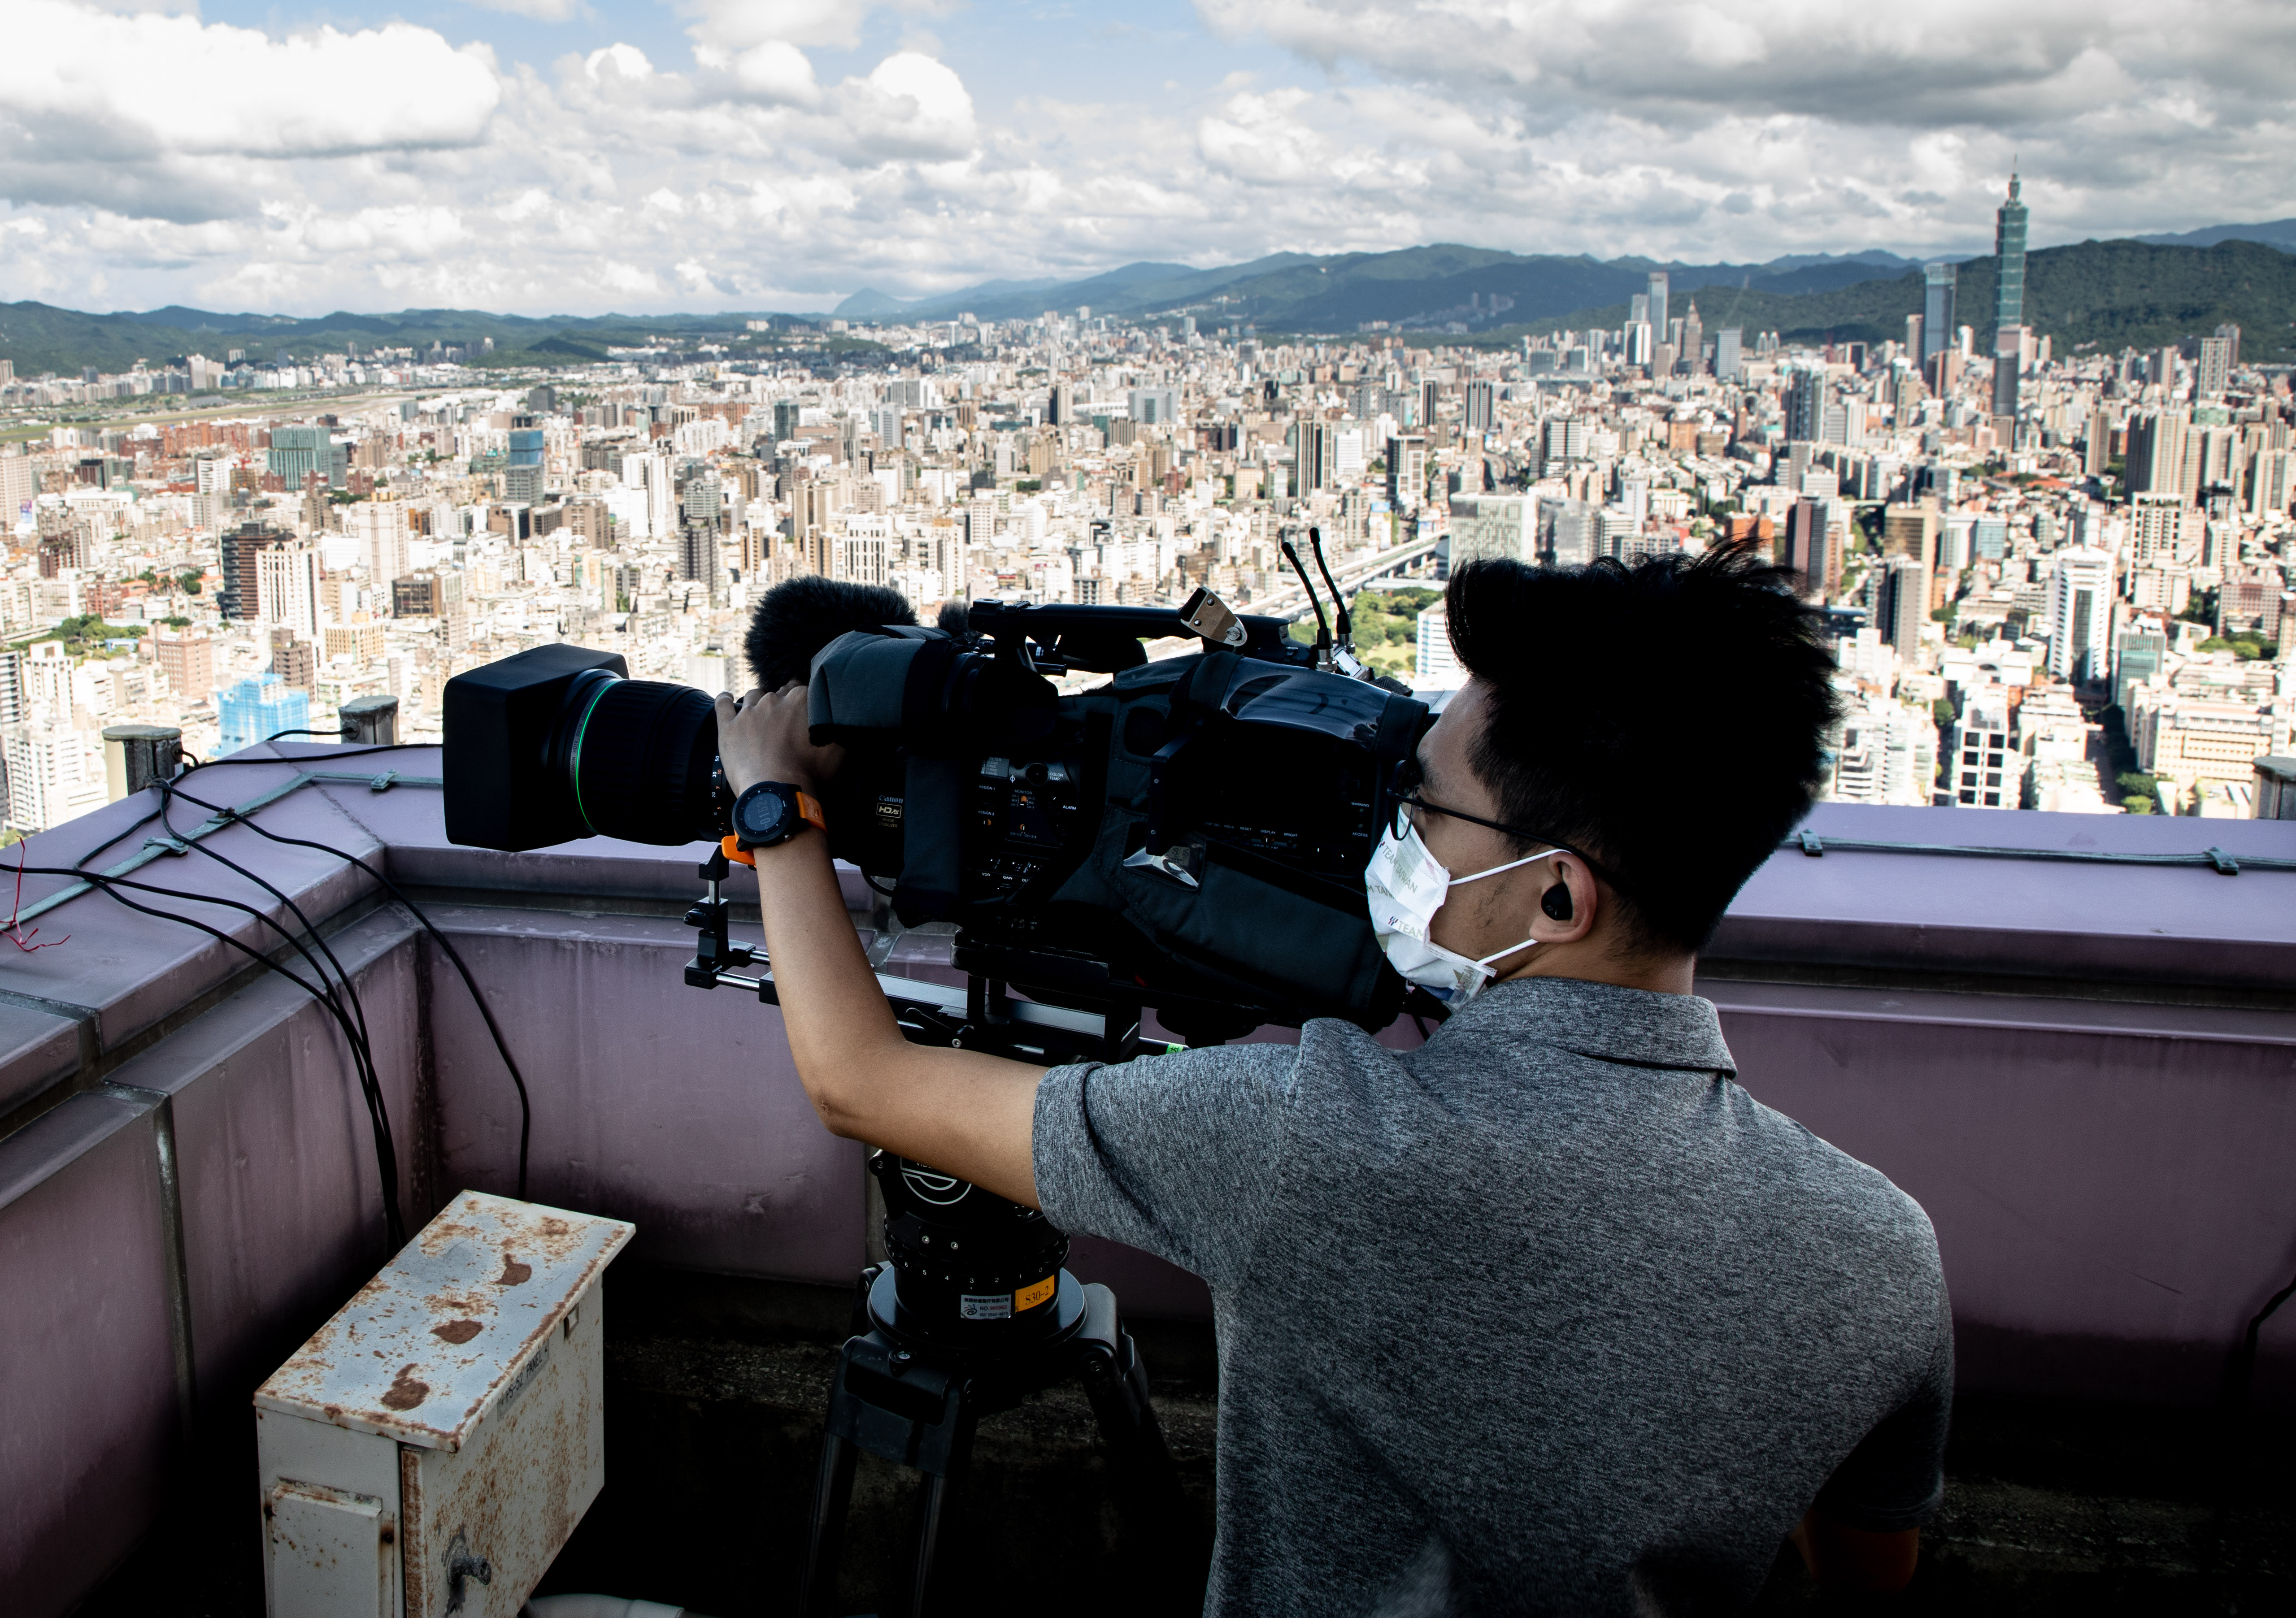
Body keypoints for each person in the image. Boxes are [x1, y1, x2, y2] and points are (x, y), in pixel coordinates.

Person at [714, 544, 1950, 1614]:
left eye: (1422, 801)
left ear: (1559, 896)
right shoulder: (1884, 1259)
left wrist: (775, 806)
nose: (1391, 830)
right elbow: (1862, 1578)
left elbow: (860, 1082)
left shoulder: (1305, 1143)